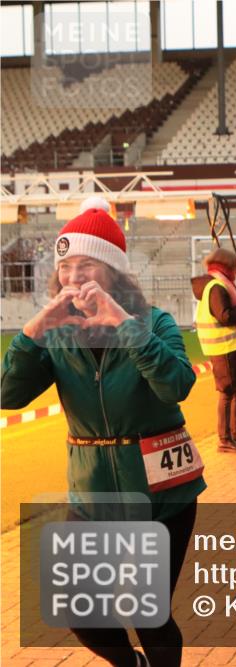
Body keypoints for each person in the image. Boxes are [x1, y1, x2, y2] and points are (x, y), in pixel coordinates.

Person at [1, 203, 205, 667]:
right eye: (65, 267)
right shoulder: (55, 336)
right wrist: (33, 331)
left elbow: (177, 384)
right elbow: (7, 395)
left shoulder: (155, 323)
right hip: (91, 494)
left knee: (146, 610)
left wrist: (124, 325)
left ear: (112, 271)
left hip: (160, 492)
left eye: (86, 265)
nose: (73, 276)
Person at [191, 248, 236, 453]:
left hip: (231, 346)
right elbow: (226, 316)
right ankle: (225, 439)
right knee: (228, 392)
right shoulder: (216, 286)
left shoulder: (222, 283)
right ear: (227, 265)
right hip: (225, 347)